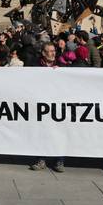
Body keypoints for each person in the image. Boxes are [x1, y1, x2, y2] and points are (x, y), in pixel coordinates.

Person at [30, 42, 65, 172]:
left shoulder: (61, 64)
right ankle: (41, 159)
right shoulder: (35, 64)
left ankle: (59, 160)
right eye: (49, 51)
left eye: (54, 51)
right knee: (42, 132)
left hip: (57, 104)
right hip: (41, 104)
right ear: (43, 53)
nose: (52, 53)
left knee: (59, 133)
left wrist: (60, 72)